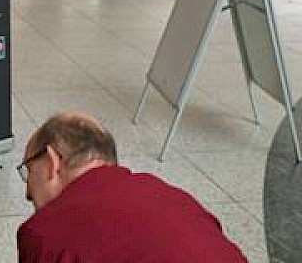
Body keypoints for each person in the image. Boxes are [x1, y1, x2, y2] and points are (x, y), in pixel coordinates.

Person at [16, 111, 249, 262]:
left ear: (52, 161)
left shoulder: (45, 235)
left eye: (28, 170)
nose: (28, 193)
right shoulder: (173, 198)